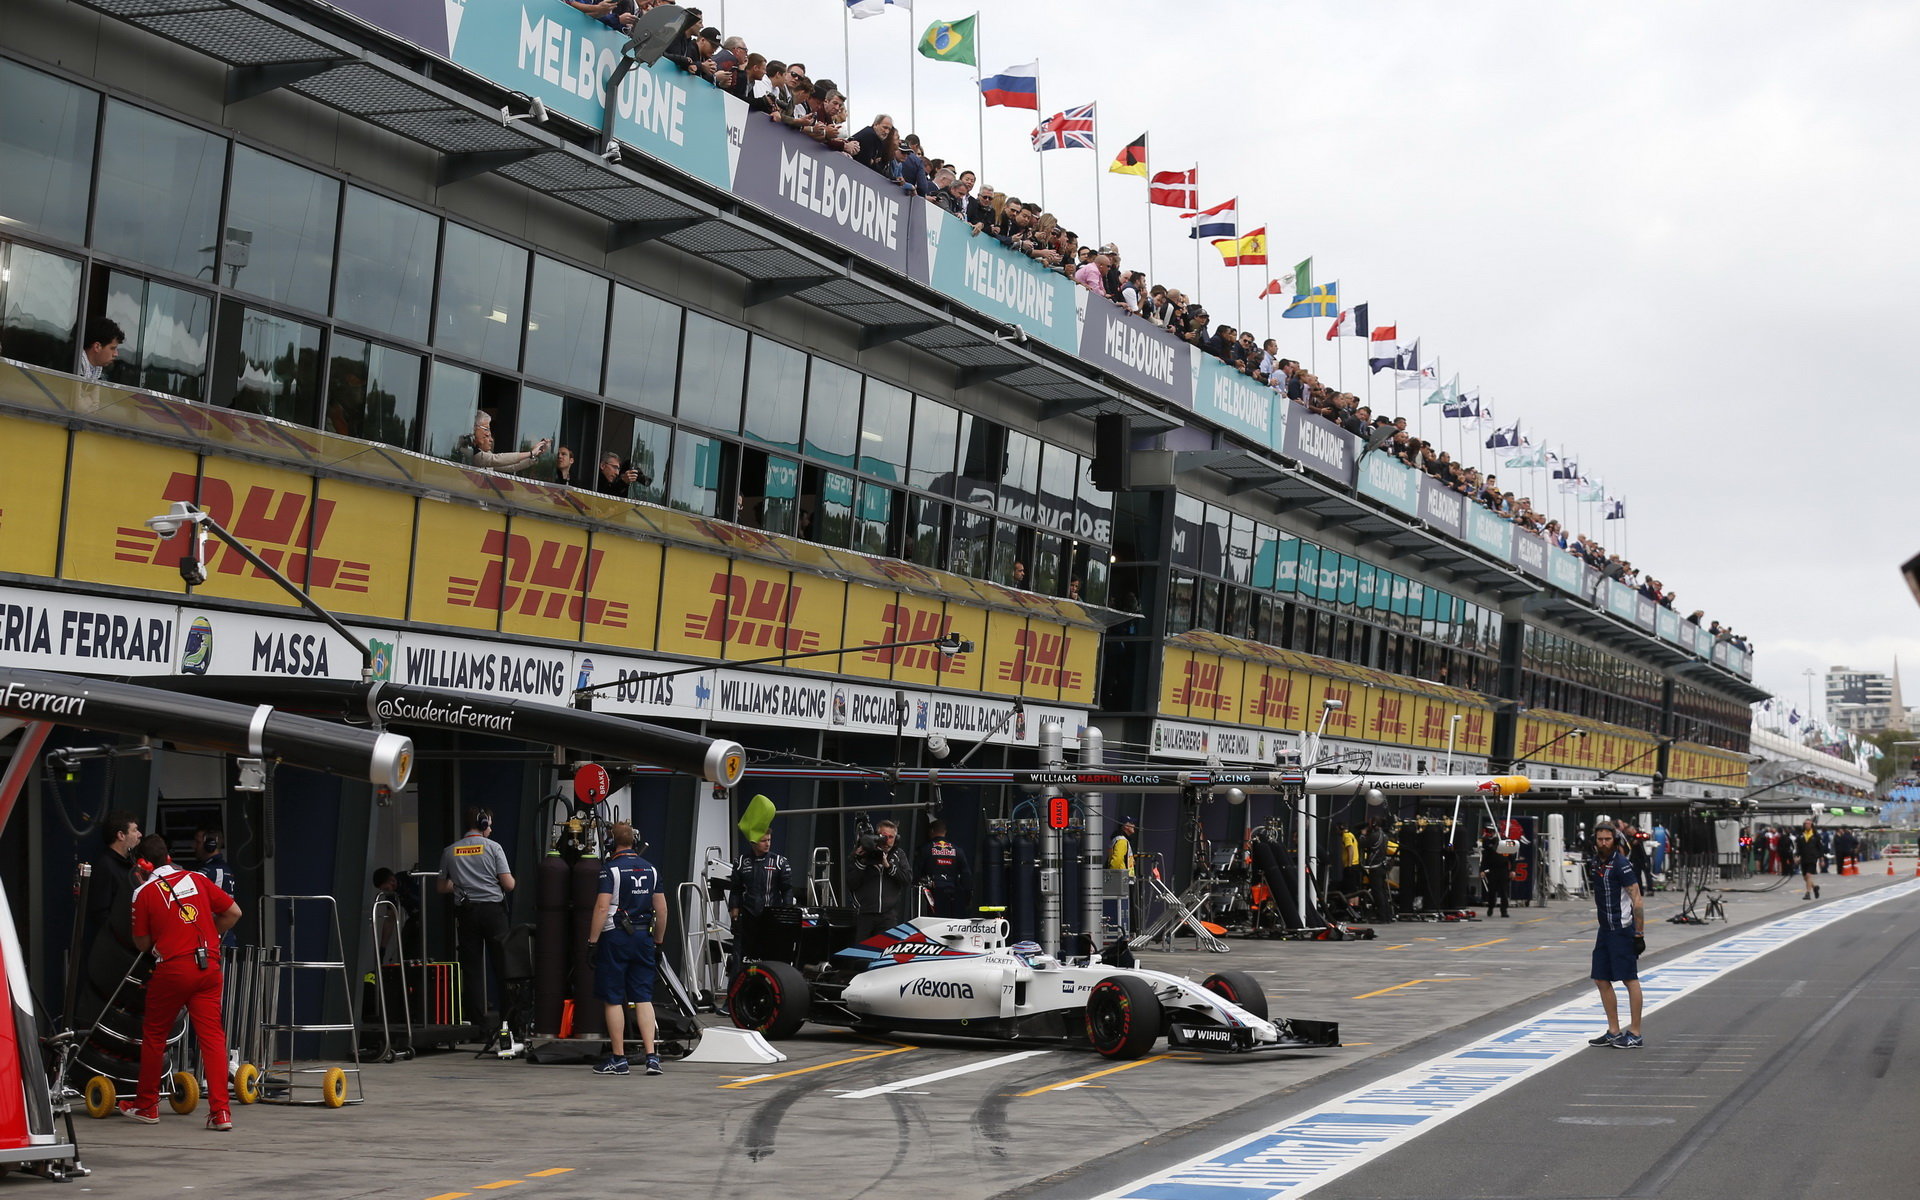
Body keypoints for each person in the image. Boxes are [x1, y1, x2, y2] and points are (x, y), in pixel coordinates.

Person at [122, 834, 240, 1129]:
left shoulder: (144, 892)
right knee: (212, 1038)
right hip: (208, 965)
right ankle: (221, 1113)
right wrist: (209, 933)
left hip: (173, 969)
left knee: (154, 1035)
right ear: (169, 857)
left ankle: (147, 1105)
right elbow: (234, 912)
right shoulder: (198, 879)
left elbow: (141, 942)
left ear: (143, 863)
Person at [586, 822, 668, 1076]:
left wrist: (592, 941)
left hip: (616, 937)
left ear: (612, 844)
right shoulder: (652, 869)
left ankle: (619, 1059)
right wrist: (659, 942)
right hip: (644, 937)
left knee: (613, 998)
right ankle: (652, 1057)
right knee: (643, 997)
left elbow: (602, 908)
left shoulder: (609, 870)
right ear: (634, 841)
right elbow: (662, 910)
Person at [437, 808, 515, 1036]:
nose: (490, 828)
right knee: (503, 966)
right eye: (489, 824)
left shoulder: (450, 851)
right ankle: (508, 1023)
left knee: (471, 969)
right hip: (493, 912)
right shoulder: (494, 848)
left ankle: (479, 1025)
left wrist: (463, 884)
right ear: (482, 824)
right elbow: (509, 884)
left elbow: (442, 887)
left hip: (467, 913)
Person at [1586, 823, 1645, 1049]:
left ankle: (1636, 1032)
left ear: (1615, 841)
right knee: (1601, 978)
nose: (1603, 843)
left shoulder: (1621, 864)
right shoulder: (1595, 863)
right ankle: (1613, 1030)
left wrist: (1639, 934)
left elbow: (1637, 899)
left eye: (1607, 839)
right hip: (1605, 929)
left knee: (1629, 978)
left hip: (1622, 929)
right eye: (1600, 839)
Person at [728, 830, 792, 973]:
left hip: (772, 919)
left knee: (773, 963)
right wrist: (734, 917)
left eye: (769, 840)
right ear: (753, 842)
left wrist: (786, 916)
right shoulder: (740, 863)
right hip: (748, 918)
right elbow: (735, 891)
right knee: (740, 963)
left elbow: (787, 890)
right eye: (764, 841)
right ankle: (737, 993)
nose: (768, 843)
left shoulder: (780, 862)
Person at [849, 819, 912, 940]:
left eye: (891, 837)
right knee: (860, 955)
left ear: (896, 838)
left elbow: (907, 879)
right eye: (883, 837)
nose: (887, 841)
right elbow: (851, 883)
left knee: (885, 954)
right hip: (864, 915)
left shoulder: (899, 855)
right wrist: (861, 862)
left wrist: (888, 866)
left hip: (888, 916)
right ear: (876, 836)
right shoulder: (862, 853)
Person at [913, 820, 972, 918]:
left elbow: (916, 872)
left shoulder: (925, 849)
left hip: (931, 894)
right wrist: (967, 896)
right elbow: (966, 875)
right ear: (945, 832)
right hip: (953, 894)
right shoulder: (957, 850)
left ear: (931, 831)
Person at [194, 827, 238, 944]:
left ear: (210, 845)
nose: (194, 847)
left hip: (217, 938)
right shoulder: (217, 868)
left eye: (198, 842)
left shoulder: (215, 871)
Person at [77, 317, 125, 383]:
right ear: (97, 347)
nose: (116, 354)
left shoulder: (97, 369)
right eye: (112, 348)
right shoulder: (74, 366)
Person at [1480, 826, 1513, 918]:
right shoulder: (1487, 842)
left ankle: (1504, 910)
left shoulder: (1506, 842)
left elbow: (1512, 858)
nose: (1490, 833)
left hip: (1503, 870)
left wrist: (1513, 870)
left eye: (1492, 831)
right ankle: (1490, 907)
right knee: (1492, 891)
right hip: (1493, 870)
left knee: (1504, 891)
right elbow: (1485, 858)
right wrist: (1482, 870)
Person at [1797, 818, 1822, 900]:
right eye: (1806, 824)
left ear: (1811, 825)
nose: (1807, 825)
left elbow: (1820, 848)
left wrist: (1821, 859)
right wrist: (1797, 856)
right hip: (1803, 858)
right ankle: (1815, 887)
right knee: (1805, 877)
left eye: (1808, 824)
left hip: (1812, 858)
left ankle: (1808, 893)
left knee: (1808, 875)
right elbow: (1798, 848)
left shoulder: (1816, 836)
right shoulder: (1801, 835)